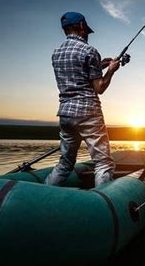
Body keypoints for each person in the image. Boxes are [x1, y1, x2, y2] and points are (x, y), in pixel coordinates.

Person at [45, 12, 120, 187]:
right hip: (88, 113)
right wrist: (111, 70)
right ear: (80, 26)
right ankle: (103, 203)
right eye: (86, 29)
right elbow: (99, 88)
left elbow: (75, 74)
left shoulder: (56, 54)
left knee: (65, 164)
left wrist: (98, 65)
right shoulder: (89, 51)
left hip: (65, 114)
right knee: (103, 162)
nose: (87, 33)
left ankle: (43, 193)